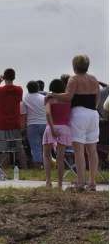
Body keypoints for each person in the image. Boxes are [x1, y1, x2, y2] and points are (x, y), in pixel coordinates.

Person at [48, 54, 101, 191]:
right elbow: (98, 98)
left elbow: (68, 97)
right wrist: (93, 107)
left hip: (79, 114)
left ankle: (80, 182)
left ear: (74, 66)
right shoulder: (94, 79)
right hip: (93, 114)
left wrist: (53, 94)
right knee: (92, 150)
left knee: (79, 150)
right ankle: (92, 182)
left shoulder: (74, 79)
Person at [0, 68, 27, 168]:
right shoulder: (19, 90)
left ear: (4, 77)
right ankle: (24, 167)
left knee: (3, 148)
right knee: (18, 147)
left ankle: (4, 168)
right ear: (14, 77)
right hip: (15, 122)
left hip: (1, 123)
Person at [42, 78, 71, 189]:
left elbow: (48, 114)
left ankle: (48, 181)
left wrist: (53, 127)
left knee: (46, 155)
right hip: (64, 128)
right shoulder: (68, 100)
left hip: (51, 127)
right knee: (60, 158)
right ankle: (59, 184)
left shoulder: (49, 100)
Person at [21, 80, 47, 168]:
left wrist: (23, 128)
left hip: (32, 125)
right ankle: (47, 165)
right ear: (38, 88)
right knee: (45, 147)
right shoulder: (44, 98)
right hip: (45, 124)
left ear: (27, 88)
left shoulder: (25, 99)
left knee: (35, 147)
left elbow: (24, 115)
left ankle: (38, 166)